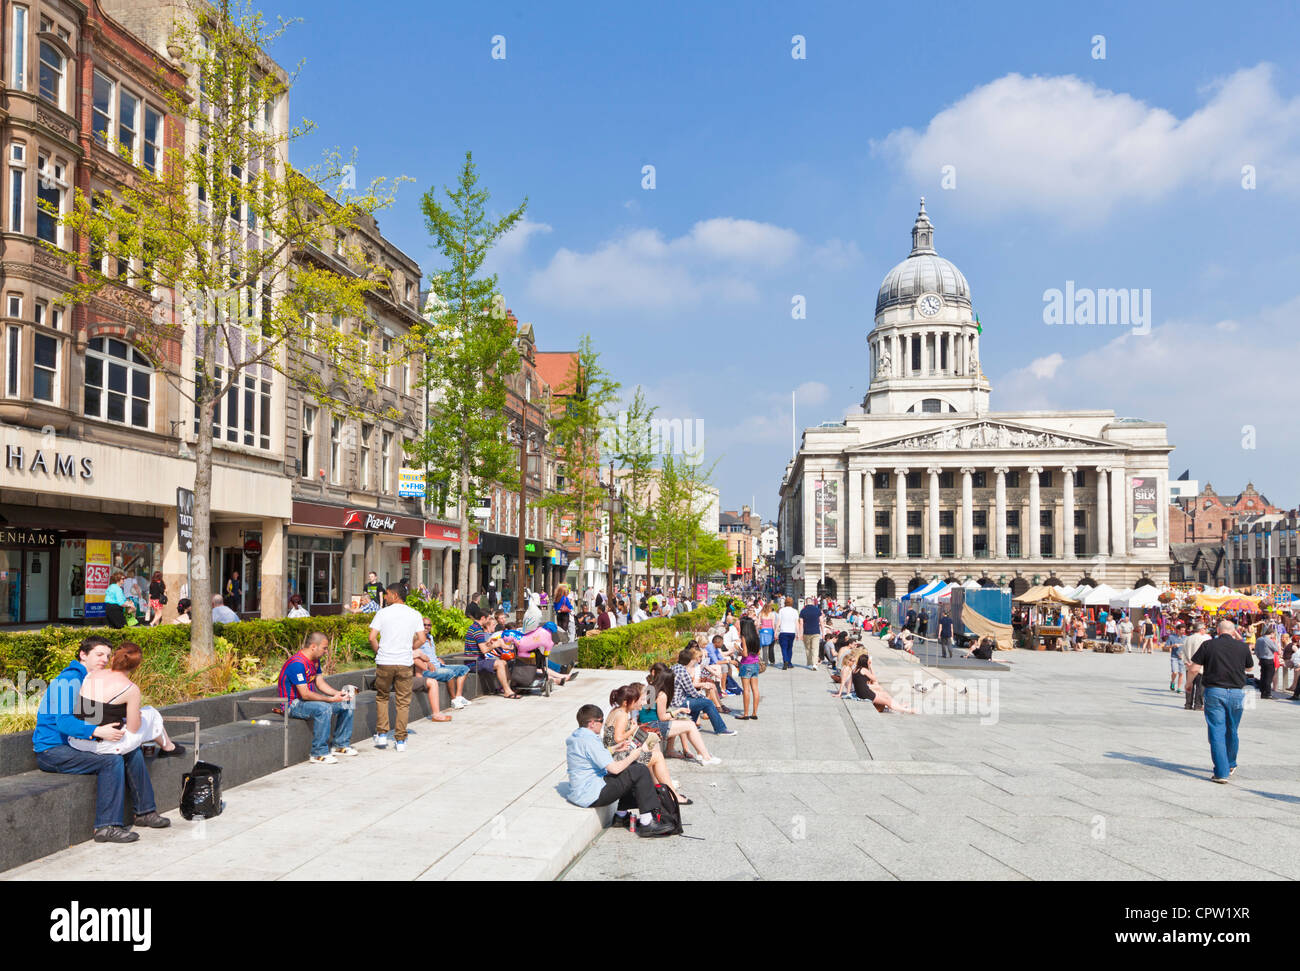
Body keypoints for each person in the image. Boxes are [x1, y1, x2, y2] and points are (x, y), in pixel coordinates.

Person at [33, 636, 170, 844]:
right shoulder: (69, 680)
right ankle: (106, 826)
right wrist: (98, 731)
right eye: (98, 654)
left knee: (131, 750)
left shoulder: (93, 678)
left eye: (107, 655)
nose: (104, 659)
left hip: (76, 743)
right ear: (83, 655)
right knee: (111, 760)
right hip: (52, 750)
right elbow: (63, 723)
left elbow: (96, 715)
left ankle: (145, 812)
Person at [564, 704, 675, 837]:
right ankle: (647, 823)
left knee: (630, 769)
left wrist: (614, 749)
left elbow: (592, 755)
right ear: (592, 723)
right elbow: (615, 769)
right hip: (592, 795)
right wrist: (633, 755)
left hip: (581, 792)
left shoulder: (577, 737)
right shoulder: (590, 740)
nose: (602, 724)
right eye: (601, 721)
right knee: (638, 770)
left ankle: (621, 816)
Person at [69, 642, 186, 758]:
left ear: (113, 658)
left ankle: (168, 746)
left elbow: (96, 708)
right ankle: (168, 747)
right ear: (136, 666)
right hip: (104, 746)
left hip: (76, 741)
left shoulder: (91, 674)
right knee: (151, 713)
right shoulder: (130, 689)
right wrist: (137, 717)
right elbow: (133, 729)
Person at [278, 631, 357, 764]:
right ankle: (318, 753)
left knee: (347, 702)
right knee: (324, 708)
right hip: (293, 705)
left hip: (309, 702)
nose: (326, 651)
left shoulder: (315, 661)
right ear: (313, 646)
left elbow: (320, 683)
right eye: (324, 648)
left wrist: (337, 694)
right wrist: (330, 699)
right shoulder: (297, 663)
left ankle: (340, 744)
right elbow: (305, 694)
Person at [1191, 620, 1254, 783]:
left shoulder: (1208, 645)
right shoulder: (1242, 646)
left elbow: (1194, 668)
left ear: (1218, 630)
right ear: (1234, 632)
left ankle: (1221, 772)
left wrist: (1188, 684)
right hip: (1236, 692)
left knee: (1217, 731)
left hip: (1215, 691)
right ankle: (1231, 763)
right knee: (1232, 729)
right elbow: (1249, 668)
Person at [604, 685, 689, 805]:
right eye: (636, 700)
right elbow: (618, 738)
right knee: (658, 756)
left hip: (614, 753)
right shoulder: (622, 715)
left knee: (650, 747)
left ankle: (658, 788)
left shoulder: (616, 711)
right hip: (618, 757)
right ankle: (673, 794)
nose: (639, 703)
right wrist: (632, 729)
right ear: (626, 702)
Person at [368, 583, 425, 751]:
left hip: (385, 661)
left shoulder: (382, 613)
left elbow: (372, 637)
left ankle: (382, 735)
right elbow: (422, 638)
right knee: (403, 701)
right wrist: (410, 647)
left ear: (394, 595)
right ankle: (400, 740)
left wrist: (379, 651)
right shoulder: (414, 614)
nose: (385, 597)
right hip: (404, 662)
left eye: (386, 594)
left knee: (382, 697)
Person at [646, 668, 719, 765]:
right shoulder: (662, 695)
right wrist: (678, 711)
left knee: (683, 722)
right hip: (653, 726)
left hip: (646, 723)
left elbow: (650, 711)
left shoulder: (650, 688)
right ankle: (706, 757)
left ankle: (700, 753)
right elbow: (662, 717)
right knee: (690, 725)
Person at [671, 648, 734, 736]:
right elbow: (691, 691)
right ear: (689, 660)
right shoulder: (683, 672)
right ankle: (720, 729)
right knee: (706, 702)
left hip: (674, 700)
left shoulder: (674, 667)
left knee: (699, 701)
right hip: (679, 702)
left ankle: (690, 724)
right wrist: (702, 697)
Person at [414, 614, 471, 711]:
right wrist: (427, 663)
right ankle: (453, 700)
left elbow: (431, 654)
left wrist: (438, 658)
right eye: (424, 625)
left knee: (464, 669)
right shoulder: (417, 639)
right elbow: (415, 655)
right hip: (427, 670)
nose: (427, 627)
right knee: (450, 673)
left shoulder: (430, 637)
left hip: (439, 665)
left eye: (429, 625)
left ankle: (458, 697)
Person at [464, 611, 521, 699]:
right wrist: (496, 644)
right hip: (474, 662)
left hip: (477, 660)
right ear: (483, 618)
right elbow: (484, 650)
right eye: (488, 619)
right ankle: (507, 691)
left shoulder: (475, 628)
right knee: (500, 664)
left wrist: (489, 643)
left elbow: (480, 646)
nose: (489, 621)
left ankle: (509, 687)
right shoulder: (477, 630)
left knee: (504, 663)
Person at [736, 616, 762, 720]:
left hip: (746, 665)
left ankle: (746, 714)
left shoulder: (744, 637)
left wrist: (739, 649)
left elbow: (745, 654)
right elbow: (758, 652)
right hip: (755, 664)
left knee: (746, 690)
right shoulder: (756, 636)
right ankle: (754, 713)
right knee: (755, 689)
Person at [1184, 622, 1211, 710]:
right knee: (1200, 687)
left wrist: (1186, 662)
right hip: (1200, 667)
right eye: (1204, 628)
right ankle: (1198, 705)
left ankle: (1188, 704)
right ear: (1200, 629)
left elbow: (1183, 652)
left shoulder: (1188, 638)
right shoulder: (1204, 639)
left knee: (1189, 685)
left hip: (1189, 665)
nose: (1205, 630)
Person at [797, 595, 822, 669]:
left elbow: (801, 623)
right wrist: (823, 632)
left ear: (805, 603)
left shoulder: (803, 611)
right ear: (813, 602)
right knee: (815, 648)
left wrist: (800, 634)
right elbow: (821, 622)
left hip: (806, 632)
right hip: (816, 631)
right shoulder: (817, 610)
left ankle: (809, 663)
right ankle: (815, 664)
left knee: (808, 648)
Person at [1254, 626, 1278, 700]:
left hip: (1262, 659)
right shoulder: (1268, 640)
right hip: (1269, 659)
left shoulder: (1259, 639)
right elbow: (1276, 649)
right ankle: (1268, 693)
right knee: (1269, 676)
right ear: (1271, 633)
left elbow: (1256, 651)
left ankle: (1263, 692)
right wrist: (1275, 642)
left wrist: (1259, 657)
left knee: (1263, 676)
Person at [777, 596, 799, 670]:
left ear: (785, 602)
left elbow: (779, 622)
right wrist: (798, 633)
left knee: (784, 648)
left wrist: (776, 630)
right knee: (790, 648)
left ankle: (785, 661)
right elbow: (797, 623)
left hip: (783, 631)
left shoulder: (781, 611)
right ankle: (789, 663)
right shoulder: (795, 611)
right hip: (792, 632)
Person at [1168, 624, 1188, 693]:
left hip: (1182, 658)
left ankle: (1179, 688)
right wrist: (1173, 645)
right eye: (1182, 630)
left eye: (1184, 630)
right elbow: (1165, 647)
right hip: (1174, 657)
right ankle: (1172, 681)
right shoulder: (1172, 637)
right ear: (1178, 630)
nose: (1183, 631)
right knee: (1175, 672)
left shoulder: (1186, 638)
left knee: (1181, 673)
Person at [758, 601, 777, 665]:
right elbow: (773, 624)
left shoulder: (761, 614)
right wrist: (775, 632)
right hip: (770, 631)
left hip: (763, 631)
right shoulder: (772, 614)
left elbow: (758, 624)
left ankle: (765, 661)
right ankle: (772, 660)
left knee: (764, 647)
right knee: (771, 647)